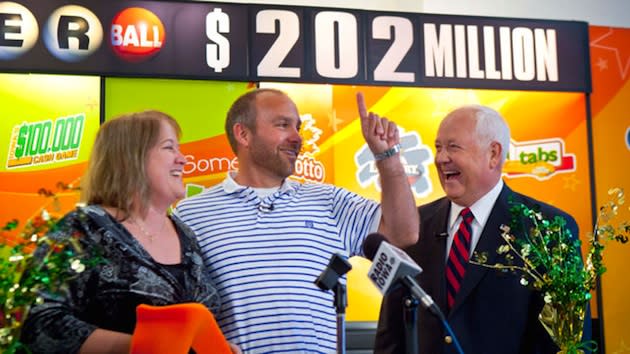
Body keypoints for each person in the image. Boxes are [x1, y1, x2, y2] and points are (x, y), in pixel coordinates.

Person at [175, 88, 419, 352]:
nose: (297, 138)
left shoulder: (330, 200)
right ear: (243, 134)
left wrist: (388, 157)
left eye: (298, 127)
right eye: (283, 125)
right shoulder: (190, 214)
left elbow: (402, 234)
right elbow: (180, 311)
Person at [373, 105, 591, 353]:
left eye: (453, 147)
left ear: (494, 154)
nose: (441, 158)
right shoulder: (413, 226)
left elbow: (568, 341)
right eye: (438, 147)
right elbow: (391, 335)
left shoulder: (548, 230)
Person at [21, 111, 239, 354]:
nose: (183, 159)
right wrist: (143, 346)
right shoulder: (82, 228)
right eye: (169, 148)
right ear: (131, 158)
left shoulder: (185, 233)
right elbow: (37, 322)